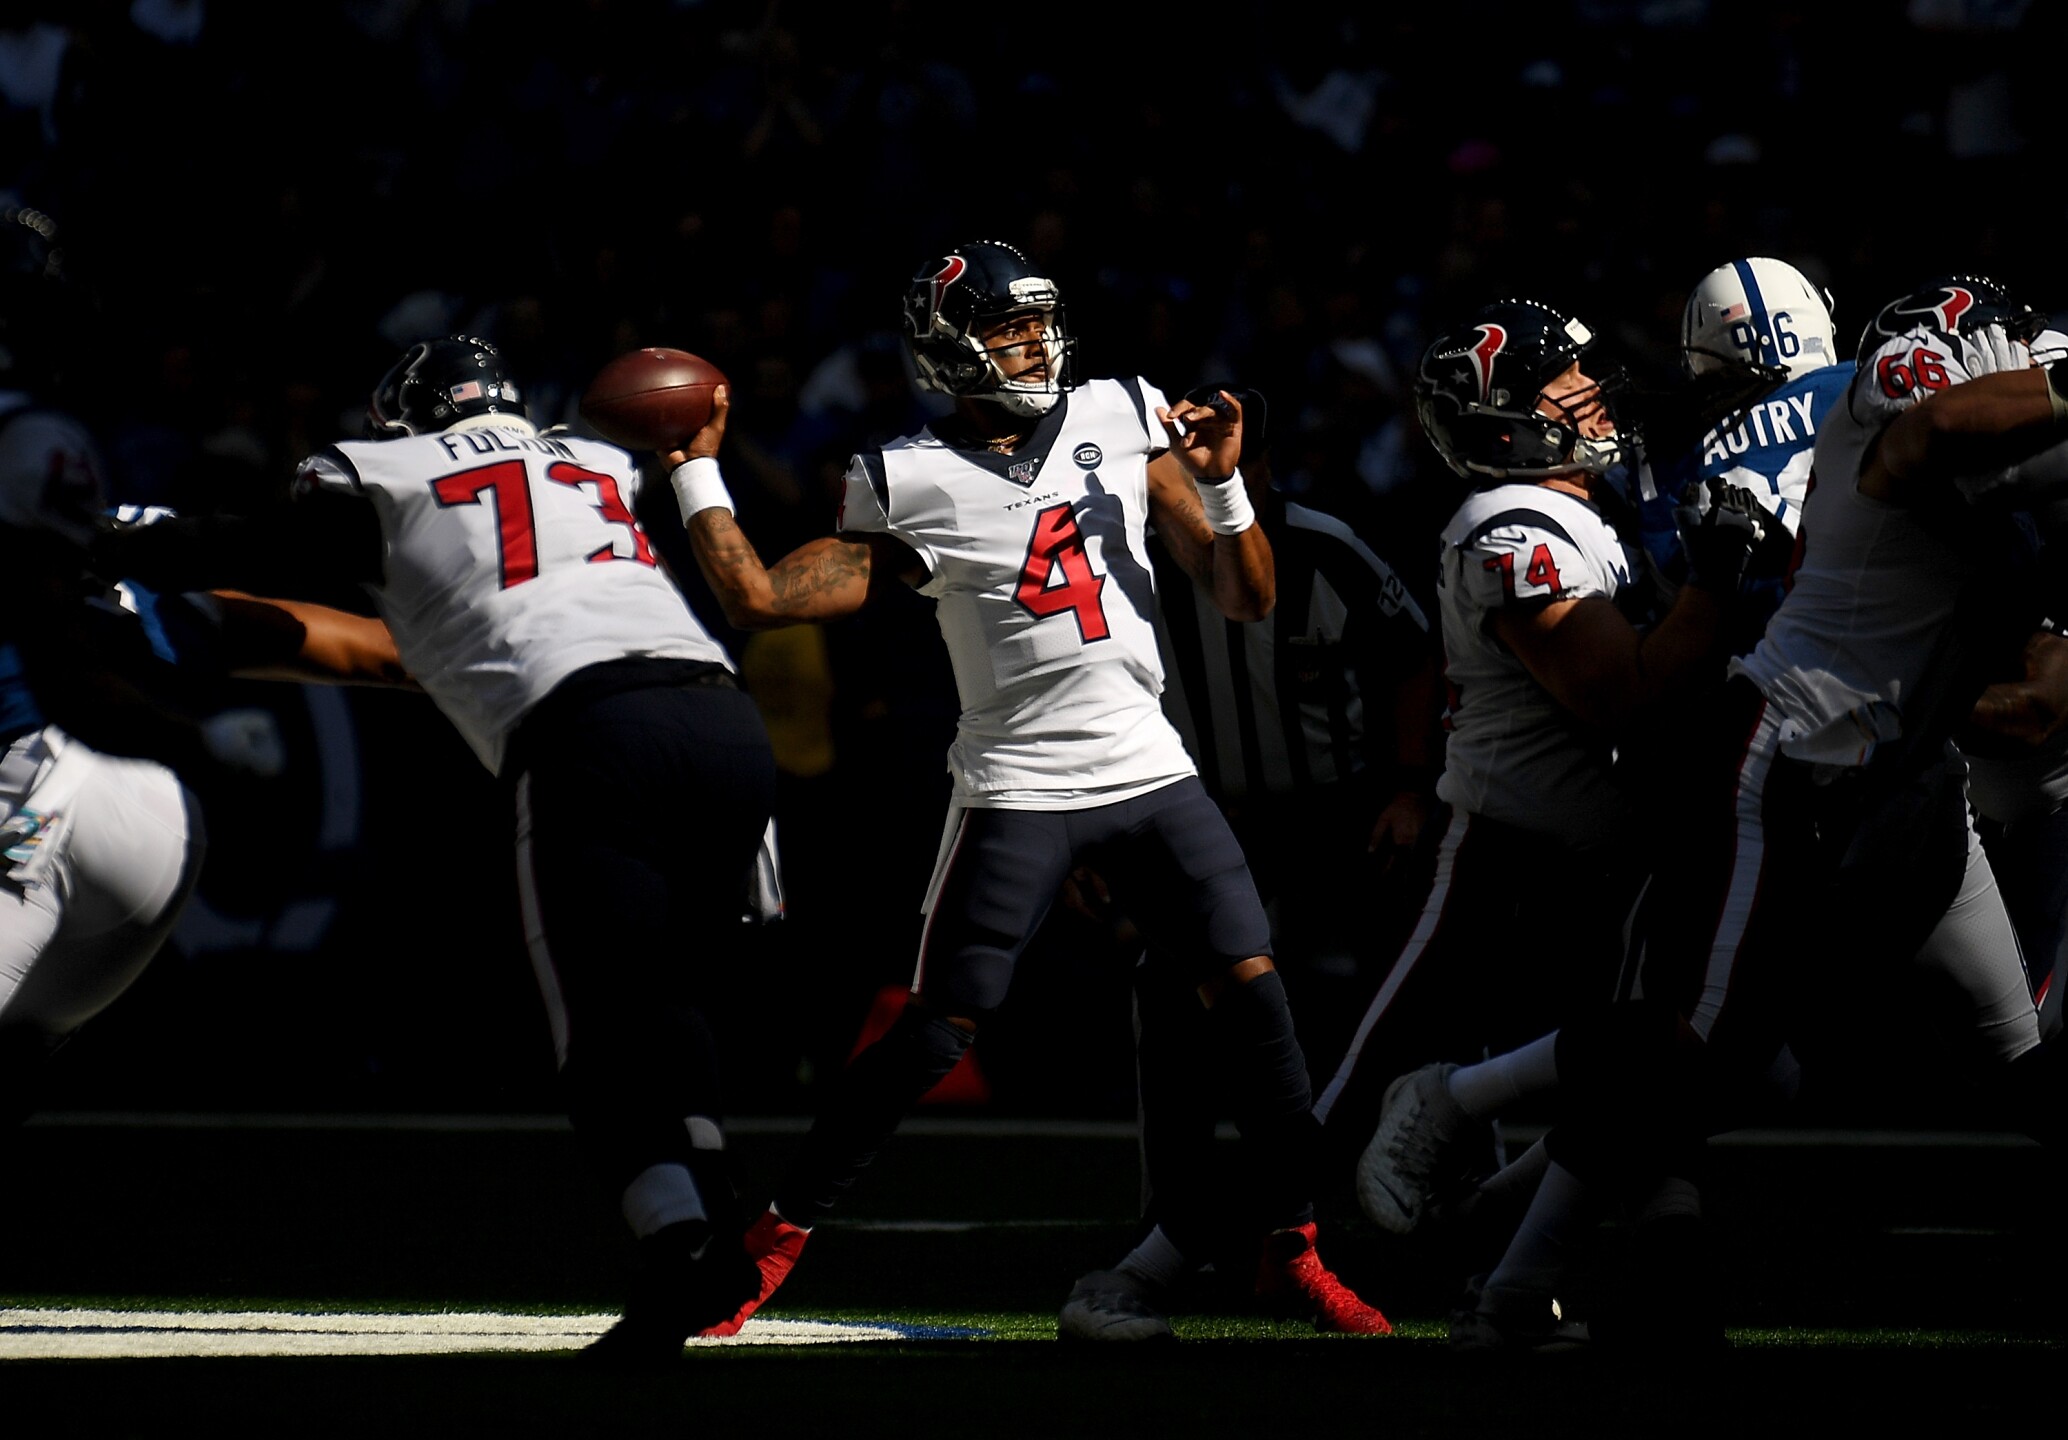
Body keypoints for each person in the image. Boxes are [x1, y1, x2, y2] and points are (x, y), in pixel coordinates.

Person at [663, 238, 1386, 1341]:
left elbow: (1242, 597)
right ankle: (769, 1244)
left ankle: (1289, 1248)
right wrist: (691, 466)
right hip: (1017, 785)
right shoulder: (905, 475)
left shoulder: (1123, 414)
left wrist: (1225, 482)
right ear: (951, 350)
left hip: (1151, 767)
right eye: (1008, 326)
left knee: (1254, 996)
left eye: (1040, 319)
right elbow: (761, 595)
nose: (1037, 341)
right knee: (935, 1033)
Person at [1361, 274, 2068, 1352]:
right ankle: (1468, 1125)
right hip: (1788, 760)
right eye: (2012, 351)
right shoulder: (1887, 394)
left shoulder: (1732, 438)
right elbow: (1945, 427)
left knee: (1974, 1056)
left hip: (1902, 777)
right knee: (1706, 1045)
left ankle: (1515, 1260)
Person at [87, 334, 780, 1366]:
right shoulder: (596, 463)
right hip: (726, 722)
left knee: (594, 1018)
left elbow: (265, 542)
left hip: (593, 731)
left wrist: (110, 539)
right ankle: (711, 1211)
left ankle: (678, 1247)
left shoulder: (380, 468)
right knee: (666, 997)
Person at [1308, 297, 1770, 1198]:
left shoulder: (1594, 511)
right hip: (1506, 859)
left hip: (1599, 868)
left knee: (1631, 1085)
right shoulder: (1508, 527)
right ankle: (1170, 1262)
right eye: (1569, 379)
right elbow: (1622, 697)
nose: (1595, 391)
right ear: (1506, 412)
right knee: (1365, 1086)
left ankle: (1507, 1268)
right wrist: (1716, 581)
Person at [1, 204, 406, 1128]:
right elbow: (341, 644)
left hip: (36, 791)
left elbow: (62, 644)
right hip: (154, 822)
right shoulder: (90, 510)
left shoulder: (30, 469)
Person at [1121, 384, 1442, 1305]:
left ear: (1264, 466)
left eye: (1239, 457)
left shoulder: (1325, 547)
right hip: (1200, 815)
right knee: (1169, 997)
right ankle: (1171, 1219)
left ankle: (1439, 1203)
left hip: (1338, 816)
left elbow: (1414, 658)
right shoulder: (1133, 558)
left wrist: (1409, 789)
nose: (1221, 474)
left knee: (1407, 997)